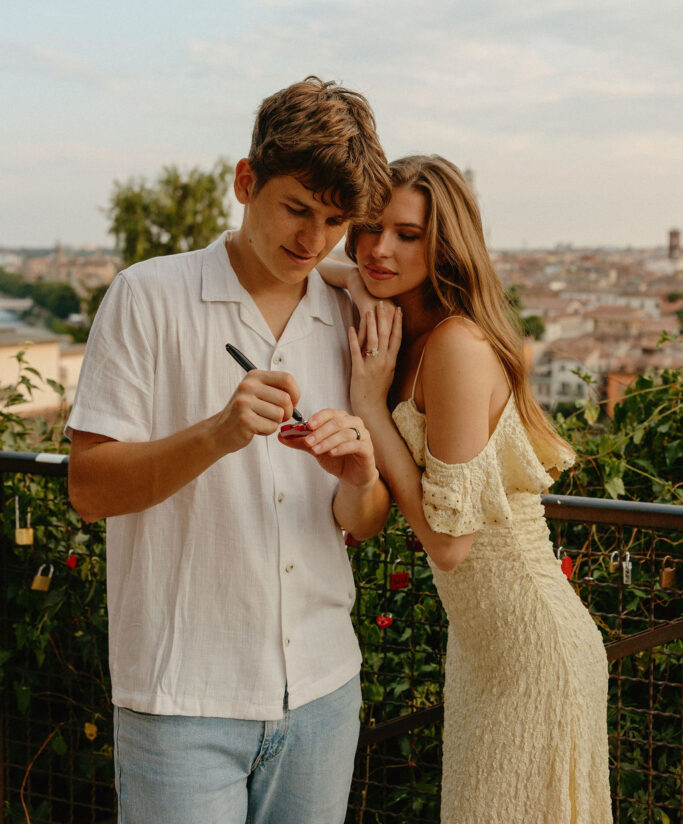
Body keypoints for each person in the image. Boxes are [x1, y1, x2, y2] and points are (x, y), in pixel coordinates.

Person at [66, 76, 393, 824]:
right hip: (182, 702)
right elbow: (89, 488)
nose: (312, 240)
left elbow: (364, 523)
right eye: (297, 209)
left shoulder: (349, 315)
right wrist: (216, 434)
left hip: (322, 690)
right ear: (245, 182)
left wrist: (361, 476)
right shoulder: (145, 297)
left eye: (335, 221)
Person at [320, 154, 613, 824]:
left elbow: (449, 544)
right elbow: (321, 269)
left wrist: (367, 400)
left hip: (536, 653)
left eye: (405, 234)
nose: (377, 248)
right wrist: (364, 290)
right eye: (367, 228)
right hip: (483, 648)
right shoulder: (410, 326)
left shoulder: (454, 345)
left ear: (444, 243)